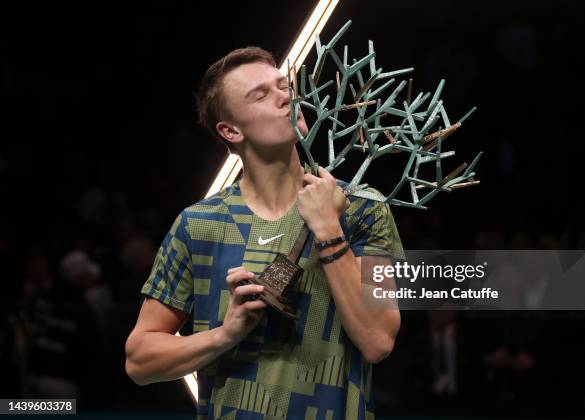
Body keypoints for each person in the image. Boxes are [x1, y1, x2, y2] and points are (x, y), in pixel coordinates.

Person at [125, 46, 405, 419]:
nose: (285, 96)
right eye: (261, 94)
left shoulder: (362, 207)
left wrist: (328, 230)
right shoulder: (199, 225)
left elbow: (378, 341)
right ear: (230, 130)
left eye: (283, 85)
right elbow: (140, 361)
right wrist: (226, 334)